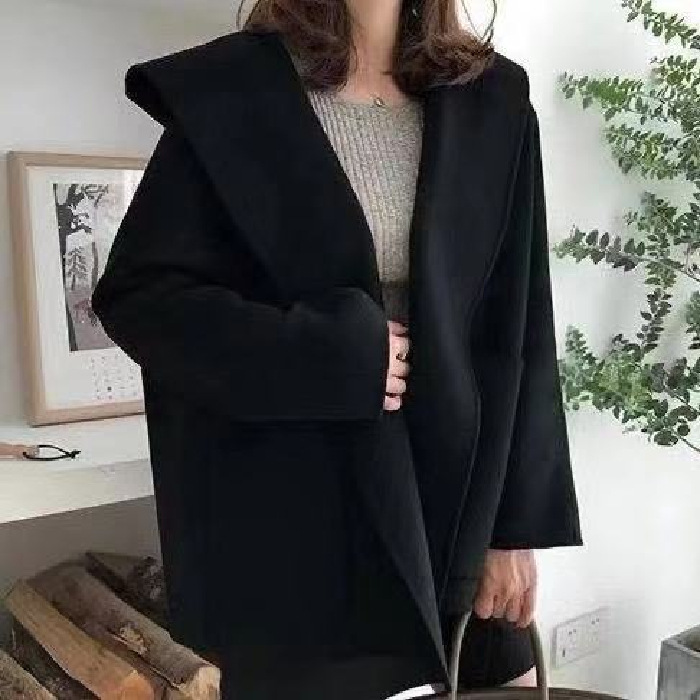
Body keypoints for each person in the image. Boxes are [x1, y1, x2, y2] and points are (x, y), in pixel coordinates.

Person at [91, 0, 583, 697]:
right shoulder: (232, 93)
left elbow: (522, 318)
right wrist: (319, 354)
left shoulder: (492, 99)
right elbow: (141, 299)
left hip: (458, 511)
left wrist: (513, 528)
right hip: (294, 526)